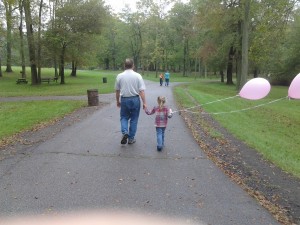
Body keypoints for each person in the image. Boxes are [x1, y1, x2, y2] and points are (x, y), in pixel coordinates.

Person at [115, 58, 147, 145]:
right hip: (135, 99)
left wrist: (117, 101)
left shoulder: (119, 76)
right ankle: (131, 138)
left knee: (124, 117)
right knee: (134, 119)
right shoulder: (138, 76)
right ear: (133, 66)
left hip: (124, 99)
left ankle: (125, 132)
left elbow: (117, 91)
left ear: (124, 66)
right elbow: (142, 91)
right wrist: (144, 102)